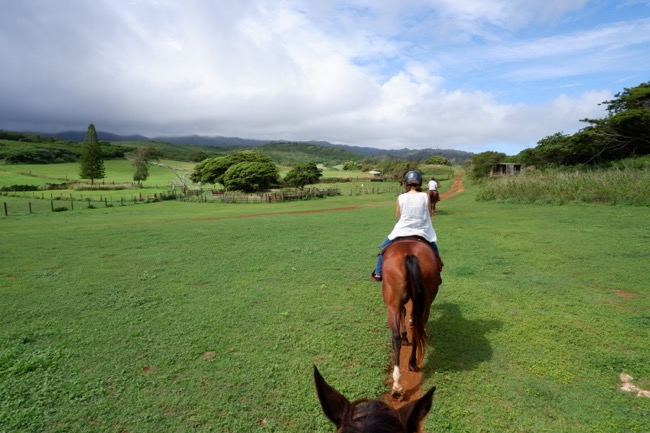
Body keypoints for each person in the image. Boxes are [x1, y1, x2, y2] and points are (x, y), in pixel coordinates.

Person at [371, 170, 442, 282]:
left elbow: (398, 215)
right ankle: (437, 274)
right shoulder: (425, 196)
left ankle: (378, 273)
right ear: (419, 183)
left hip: (402, 231)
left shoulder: (401, 197)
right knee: (434, 250)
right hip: (422, 231)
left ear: (406, 183)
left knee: (383, 248)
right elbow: (428, 213)